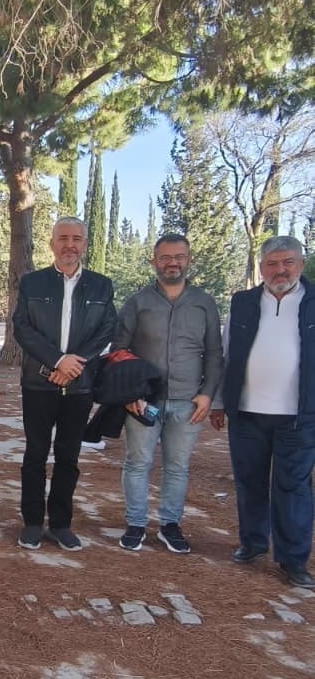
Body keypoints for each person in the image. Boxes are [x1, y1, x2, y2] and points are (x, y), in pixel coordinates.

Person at [210, 237, 314, 588]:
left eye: (287, 262)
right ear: (261, 268)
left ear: (300, 264)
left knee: (293, 487)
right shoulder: (242, 302)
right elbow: (227, 355)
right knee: (249, 482)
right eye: (272, 263)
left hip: (299, 416)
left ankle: (293, 559)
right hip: (247, 413)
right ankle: (252, 543)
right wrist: (220, 402)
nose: (280, 270)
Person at [113, 234, 222, 554]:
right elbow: (119, 350)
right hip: (144, 401)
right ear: (154, 262)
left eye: (179, 257)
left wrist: (207, 394)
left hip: (188, 402)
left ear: (189, 260)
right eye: (165, 257)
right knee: (137, 463)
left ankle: (170, 524)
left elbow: (214, 353)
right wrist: (130, 393)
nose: (172, 263)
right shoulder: (137, 302)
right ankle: (135, 524)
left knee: (177, 466)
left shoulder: (204, 303)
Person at [13, 216, 115, 552]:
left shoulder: (101, 286)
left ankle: (60, 524)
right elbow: (22, 328)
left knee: (68, 457)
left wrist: (73, 364)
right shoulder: (32, 283)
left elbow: (106, 331)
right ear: (52, 243)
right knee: (35, 454)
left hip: (79, 387)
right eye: (63, 238)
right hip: (38, 384)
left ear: (85, 243)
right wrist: (57, 361)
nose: (70, 244)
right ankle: (32, 522)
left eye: (76, 238)